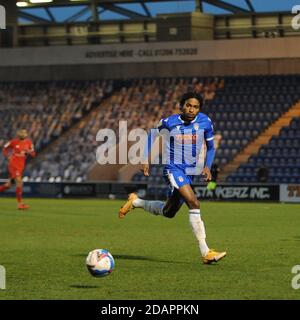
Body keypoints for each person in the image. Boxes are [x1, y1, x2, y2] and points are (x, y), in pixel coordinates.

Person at [119, 92, 226, 264]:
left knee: (169, 212)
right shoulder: (169, 122)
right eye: (188, 105)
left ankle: (136, 202)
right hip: (173, 169)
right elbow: (151, 135)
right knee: (194, 203)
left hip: (190, 172)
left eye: (195, 106)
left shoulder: (206, 122)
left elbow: (211, 147)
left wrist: (207, 166)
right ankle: (206, 252)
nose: (191, 109)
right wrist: (146, 158)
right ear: (182, 106)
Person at [0, 129, 36, 210]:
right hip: (14, 164)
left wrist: (29, 151)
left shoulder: (29, 143)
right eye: (21, 132)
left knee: (8, 185)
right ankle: (20, 204)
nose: (23, 134)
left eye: (24, 132)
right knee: (19, 182)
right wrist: (8, 156)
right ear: (18, 134)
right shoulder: (14, 142)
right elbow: (5, 148)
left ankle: (20, 203)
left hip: (21, 165)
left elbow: (33, 154)